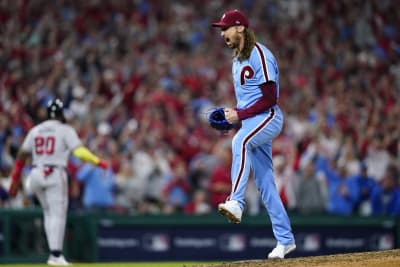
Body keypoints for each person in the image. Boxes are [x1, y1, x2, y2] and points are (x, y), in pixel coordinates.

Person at [211, 10, 296, 259]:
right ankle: (285, 240)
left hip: (269, 116)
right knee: (266, 184)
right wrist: (234, 116)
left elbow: (270, 98)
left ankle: (236, 201)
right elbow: (248, 101)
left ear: (240, 28)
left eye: (226, 28)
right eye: (221, 29)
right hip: (251, 122)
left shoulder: (260, 54)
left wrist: (239, 116)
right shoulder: (237, 60)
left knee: (240, 141)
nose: (223, 33)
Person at [7, 98, 108, 266]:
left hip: (36, 174)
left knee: (48, 213)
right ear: (61, 114)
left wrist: (15, 177)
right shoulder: (65, 130)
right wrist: (98, 161)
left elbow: (22, 155)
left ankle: (54, 254)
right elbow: (80, 152)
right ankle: (56, 255)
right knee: (58, 214)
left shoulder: (35, 130)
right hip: (54, 173)